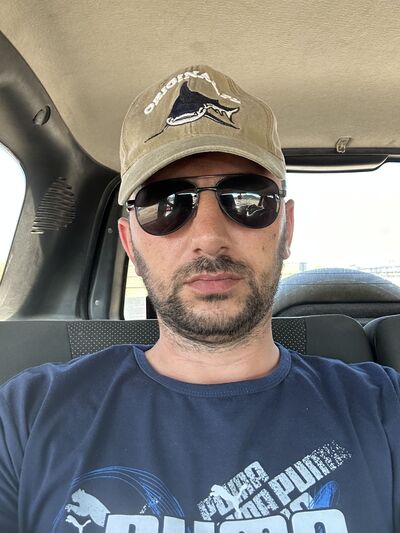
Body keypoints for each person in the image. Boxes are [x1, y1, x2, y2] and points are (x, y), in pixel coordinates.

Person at [0, 65, 399, 533]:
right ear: (130, 244)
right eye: (165, 205)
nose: (209, 237)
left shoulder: (384, 408)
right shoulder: (26, 416)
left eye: (247, 199)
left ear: (286, 229)